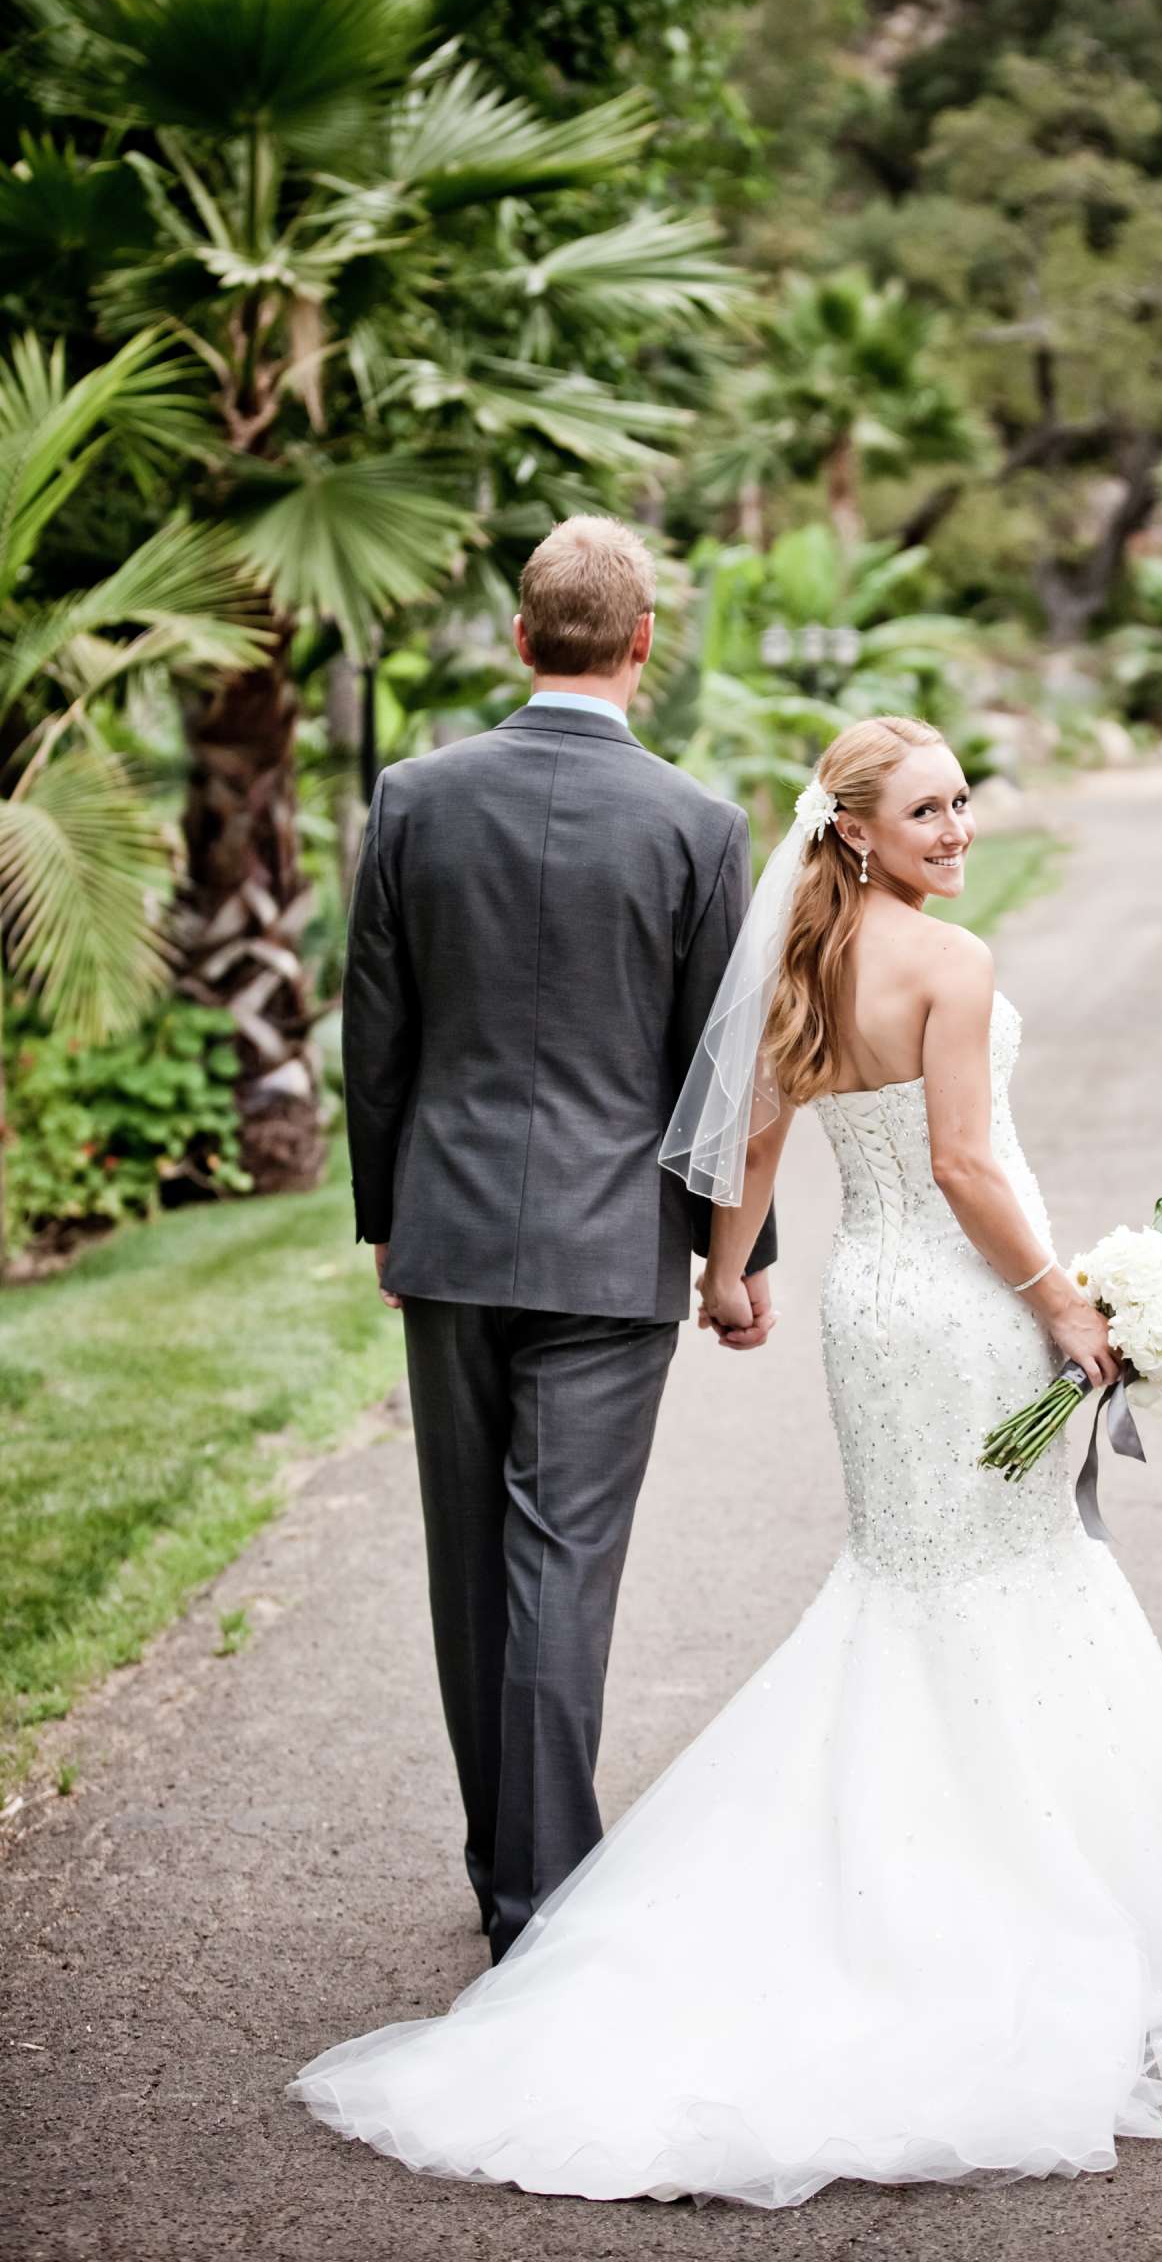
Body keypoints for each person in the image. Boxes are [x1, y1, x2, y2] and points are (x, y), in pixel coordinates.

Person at [296, 712, 1162, 2205]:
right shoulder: (951, 966)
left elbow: (752, 1130)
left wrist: (726, 1272)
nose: (957, 829)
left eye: (963, 804)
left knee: (916, 1574)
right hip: (959, 1309)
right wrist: (1069, 1303)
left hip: (867, 1310)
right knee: (992, 1570)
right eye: (926, 813)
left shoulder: (807, 959)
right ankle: (1000, 1880)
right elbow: (963, 1164)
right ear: (856, 832)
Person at [337, 513, 776, 1965]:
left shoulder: (413, 797)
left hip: (452, 1235)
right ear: (645, 646)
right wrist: (735, 1265)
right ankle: (542, 1903)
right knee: (561, 1566)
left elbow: (377, 1036)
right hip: (612, 1253)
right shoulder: (699, 826)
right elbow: (718, 1072)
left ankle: (508, 1875)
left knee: (472, 1564)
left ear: (521, 638)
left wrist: (388, 1218)